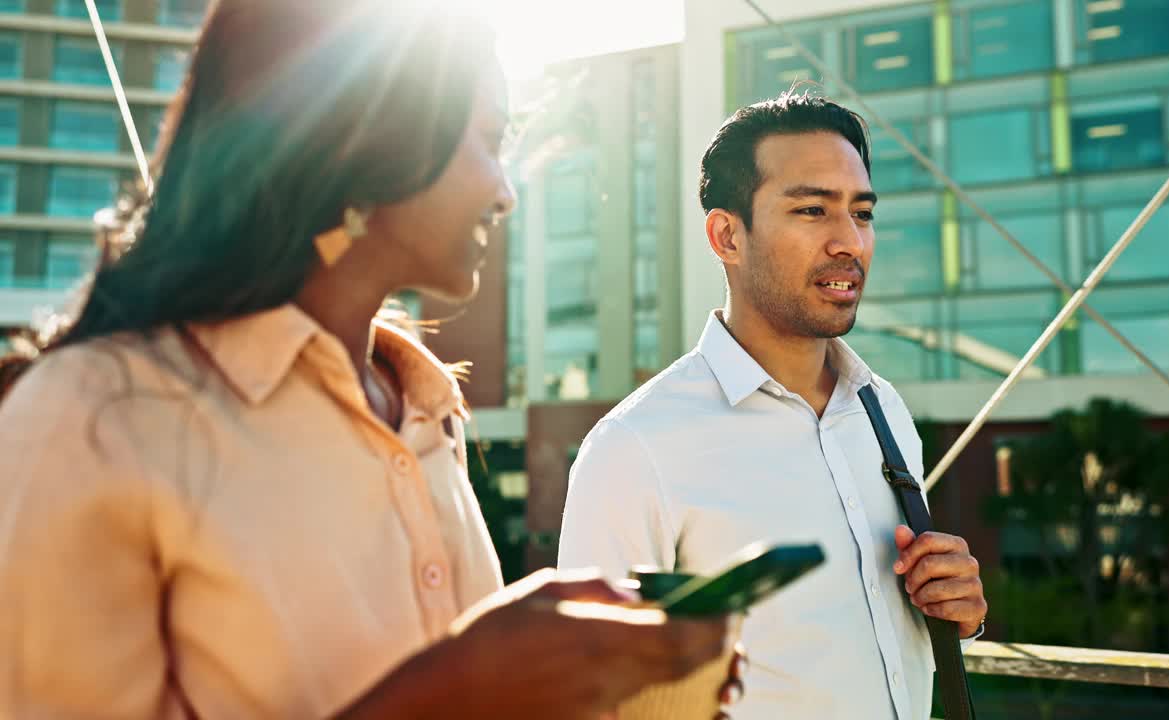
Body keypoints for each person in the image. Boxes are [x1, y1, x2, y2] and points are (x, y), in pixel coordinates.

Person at [0, 2, 740, 718]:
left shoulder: (423, 410)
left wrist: (618, 689)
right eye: (487, 140)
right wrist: (455, 693)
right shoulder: (88, 416)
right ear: (367, 140)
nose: (505, 193)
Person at [558, 92, 988, 719]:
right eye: (813, 210)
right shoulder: (635, 447)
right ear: (727, 235)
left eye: (861, 214)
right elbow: (586, 693)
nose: (850, 242)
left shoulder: (883, 412)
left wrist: (956, 611)